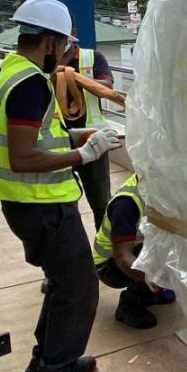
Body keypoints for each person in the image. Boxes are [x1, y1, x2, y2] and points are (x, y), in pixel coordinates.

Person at [0, 0, 122, 372]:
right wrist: (83, 155)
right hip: (41, 205)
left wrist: (78, 136)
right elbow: (23, 156)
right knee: (78, 289)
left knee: (64, 285)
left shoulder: (12, 71)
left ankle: (45, 362)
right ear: (49, 41)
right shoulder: (31, 83)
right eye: (63, 45)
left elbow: (34, 138)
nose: (65, 54)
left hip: (29, 203)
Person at [53, 31, 122, 230]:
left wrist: (73, 78)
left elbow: (107, 86)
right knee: (61, 203)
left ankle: (104, 244)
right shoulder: (47, 61)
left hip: (93, 140)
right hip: (59, 141)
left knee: (101, 201)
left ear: (72, 34)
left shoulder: (92, 58)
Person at [92, 174, 176, 329]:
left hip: (135, 247)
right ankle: (129, 306)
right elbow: (122, 255)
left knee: (165, 247)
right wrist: (151, 277)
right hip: (109, 264)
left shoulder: (154, 185)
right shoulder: (127, 203)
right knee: (152, 258)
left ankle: (151, 292)